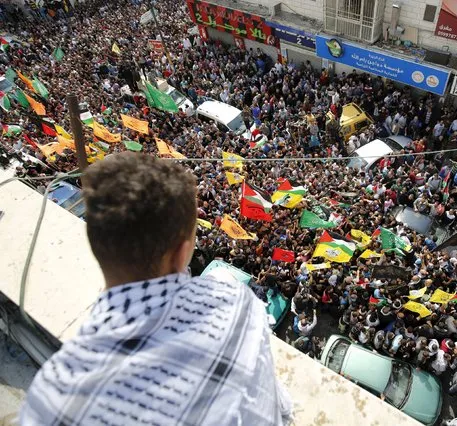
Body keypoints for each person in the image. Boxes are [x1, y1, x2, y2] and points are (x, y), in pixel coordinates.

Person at [20, 153, 292, 425]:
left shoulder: (51, 394)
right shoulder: (235, 303)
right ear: (182, 252)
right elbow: (278, 407)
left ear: (97, 247)